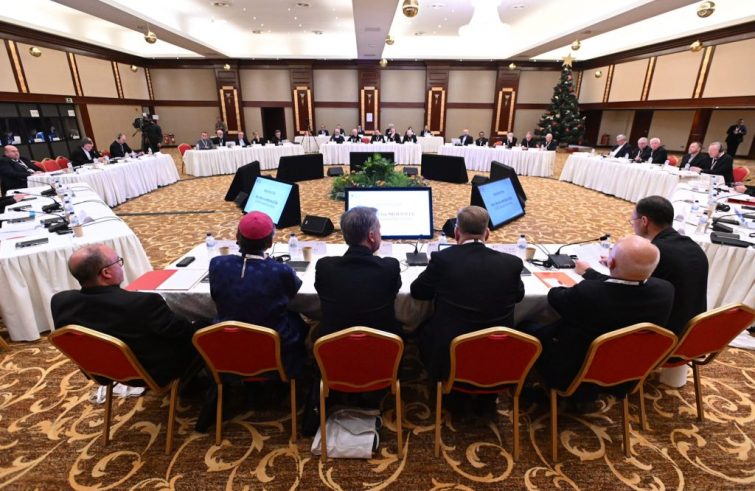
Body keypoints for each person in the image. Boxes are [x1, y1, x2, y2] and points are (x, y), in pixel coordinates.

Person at [528, 235, 674, 394]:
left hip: (573, 373)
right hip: (629, 370)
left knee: (526, 327)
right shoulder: (666, 290)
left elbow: (555, 296)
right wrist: (589, 272)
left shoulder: (588, 293)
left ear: (611, 263)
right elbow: (626, 284)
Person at [50, 244, 202, 387]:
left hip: (101, 371)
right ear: (106, 273)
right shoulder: (142, 303)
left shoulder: (60, 302)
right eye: (118, 261)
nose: (120, 265)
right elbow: (183, 331)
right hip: (152, 374)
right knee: (204, 329)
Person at [411, 206, 525, 380]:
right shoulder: (512, 263)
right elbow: (519, 296)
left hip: (450, 355)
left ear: (457, 233)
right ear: (487, 233)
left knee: (421, 330)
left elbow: (418, 291)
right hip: (497, 353)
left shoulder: (443, 259)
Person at [577, 196, 707, 336]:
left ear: (644, 221)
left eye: (633, 221)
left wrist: (588, 272)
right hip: (694, 330)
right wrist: (623, 261)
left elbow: (621, 289)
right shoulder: (693, 247)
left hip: (663, 335)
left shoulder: (655, 253)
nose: (632, 226)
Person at [209, 212, 306, 377]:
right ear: (270, 243)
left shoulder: (217, 264)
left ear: (237, 237)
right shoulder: (281, 271)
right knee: (299, 321)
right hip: (275, 348)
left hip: (230, 345)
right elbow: (292, 293)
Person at [314, 206, 402, 339]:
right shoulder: (390, 267)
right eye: (379, 230)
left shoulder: (324, 266)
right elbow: (395, 290)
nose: (380, 234)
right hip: (382, 344)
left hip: (334, 344)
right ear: (371, 236)